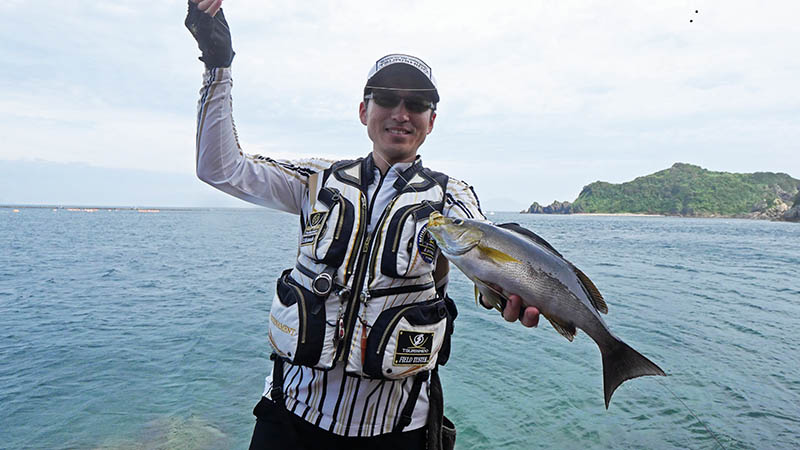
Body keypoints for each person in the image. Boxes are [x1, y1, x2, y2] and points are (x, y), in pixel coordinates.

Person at [186, 1, 540, 448]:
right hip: (289, 416)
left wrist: (503, 293)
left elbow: (491, 260)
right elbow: (220, 168)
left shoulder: (452, 197)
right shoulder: (316, 179)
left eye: (417, 103)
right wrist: (218, 66)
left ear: (432, 121)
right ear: (362, 111)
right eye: (387, 99)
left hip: (398, 429)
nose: (401, 113)